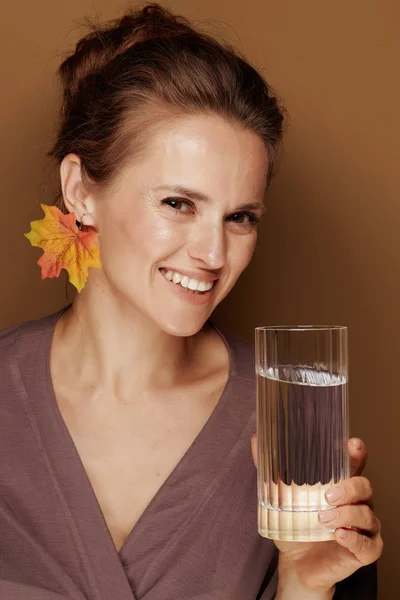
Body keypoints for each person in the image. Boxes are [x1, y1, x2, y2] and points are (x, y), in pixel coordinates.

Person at [0, 4, 382, 599]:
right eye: (178, 203)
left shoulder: (288, 425)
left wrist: (304, 587)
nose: (211, 252)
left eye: (240, 217)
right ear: (81, 192)